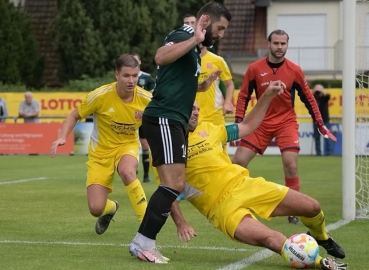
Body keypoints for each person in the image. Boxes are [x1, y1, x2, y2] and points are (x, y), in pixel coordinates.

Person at [169, 85, 347, 269]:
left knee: (312, 207)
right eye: (192, 108)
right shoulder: (167, 144)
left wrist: (267, 96)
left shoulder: (210, 129)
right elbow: (166, 190)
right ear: (178, 109)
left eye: (198, 108)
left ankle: (322, 237)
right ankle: (322, 263)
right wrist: (181, 223)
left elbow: (247, 126)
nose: (196, 112)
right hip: (222, 209)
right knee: (274, 239)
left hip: (245, 185)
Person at [129, 1, 232, 263]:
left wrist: (202, 86)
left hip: (173, 119)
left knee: (172, 184)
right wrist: (195, 38)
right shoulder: (185, 34)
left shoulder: (195, 49)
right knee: (173, 184)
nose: (221, 34)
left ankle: (143, 242)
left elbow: (172, 77)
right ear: (206, 21)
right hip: (165, 117)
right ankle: (143, 243)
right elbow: (161, 57)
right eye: (219, 28)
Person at [233, 29, 337, 225]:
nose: (279, 47)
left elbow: (309, 98)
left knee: (291, 164)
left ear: (287, 45)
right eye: (276, 43)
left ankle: (293, 210)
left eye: (283, 44)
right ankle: (232, 200)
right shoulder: (255, 68)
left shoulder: (295, 70)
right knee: (237, 162)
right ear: (269, 44)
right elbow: (243, 95)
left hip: (285, 122)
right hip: (259, 122)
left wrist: (320, 123)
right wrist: (239, 121)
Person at [50, 54, 151, 235]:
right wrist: (62, 137)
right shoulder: (99, 96)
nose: (131, 80)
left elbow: (164, 119)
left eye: (135, 76)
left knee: (128, 172)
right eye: (126, 75)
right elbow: (74, 115)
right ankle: (111, 208)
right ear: (116, 75)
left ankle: (147, 229)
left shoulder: (146, 99)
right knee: (96, 208)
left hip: (127, 146)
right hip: (100, 153)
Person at [132, 53, 156, 183]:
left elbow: (152, 96)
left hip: (142, 116)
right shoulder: (126, 77)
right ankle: (130, 167)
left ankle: (146, 175)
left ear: (140, 62)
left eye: (135, 60)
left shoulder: (146, 78)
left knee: (145, 144)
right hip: (128, 116)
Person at [312, 84, 334, 156]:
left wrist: (322, 92)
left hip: (325, 120)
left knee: (327, 137)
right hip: (316, 121)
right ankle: (318, 153)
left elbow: (328, 96)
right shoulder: (314, 97)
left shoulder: (324, 98)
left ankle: (329, 153)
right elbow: (309, 97)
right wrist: (314, 91)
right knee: (317, 138)